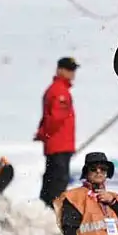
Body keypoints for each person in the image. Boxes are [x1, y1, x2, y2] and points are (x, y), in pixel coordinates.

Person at [36, 57, 79, 207]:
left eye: (73, 69)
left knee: (52, 178)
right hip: (59, 143)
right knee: (58, 180)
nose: (72, 73)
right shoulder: (59, 91)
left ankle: (47, 208)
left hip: (56, 143)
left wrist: (43, 134)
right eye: (69, 69)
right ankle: (53, 210)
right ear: (60, 70)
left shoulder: (56, 89)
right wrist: (46, 134)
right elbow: (55, 119)